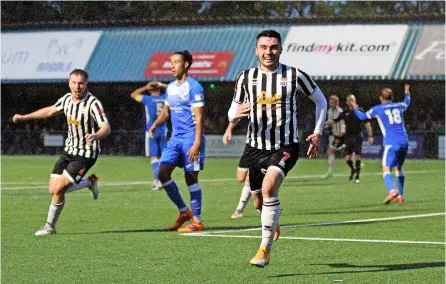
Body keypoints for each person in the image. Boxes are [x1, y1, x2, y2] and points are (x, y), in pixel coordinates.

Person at [228, 30, 327, 267]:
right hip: (254, 148)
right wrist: (235, 114)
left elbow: (321, 101)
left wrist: (317, 132)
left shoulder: (294, 76)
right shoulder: (246, 78)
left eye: (273, 47)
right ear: (256, 50)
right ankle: (273, 222)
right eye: (263, 47)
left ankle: (264, 249)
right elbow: (232, 111)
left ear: (280, 50)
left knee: (269, 187)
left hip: (285, 145)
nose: (268, 52)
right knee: (258, 203)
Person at [12, 69, 111, 236]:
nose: (77, 86)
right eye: (74, 82)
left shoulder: (93, 103)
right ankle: (89, 183)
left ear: (86, 84)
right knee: (53, 189)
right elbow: (49, 111)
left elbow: (106, 128)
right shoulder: (66, 99)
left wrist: (95, 135)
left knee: (58, 189)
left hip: (86, 154)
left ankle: (49, 227)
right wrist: (24, 117)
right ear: (69, 83)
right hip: (69, 150)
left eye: (81, 83)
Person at [148, 50, 206, 232]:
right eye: (171, 62)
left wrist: (197, 143)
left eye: (176, 62)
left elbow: (199, 117)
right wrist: (155, 124)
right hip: (175, 139)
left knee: (191, 178)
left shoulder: (194, 87)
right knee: (163, 173)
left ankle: (197, 220)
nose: (172, 66)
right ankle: (184, 211)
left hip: (191, 139)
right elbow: (166, 111)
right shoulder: (171, 87)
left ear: (186, 64)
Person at [353, 85, 411, 204]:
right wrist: (407, 93)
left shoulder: (378, 109)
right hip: (404, 141)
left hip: (391, 143)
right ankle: (400, 196)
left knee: (386, 168)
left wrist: (355, 108)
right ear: (392, 97)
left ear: (381, 98)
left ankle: (392, 190)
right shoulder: (399, 106)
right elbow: (407, 102)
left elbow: (363, 116)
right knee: (399, 168)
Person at [326, 95, 373, 183]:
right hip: (348, 137)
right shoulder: (346, 112)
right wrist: (322, 123)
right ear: (347, 103)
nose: (352, 101)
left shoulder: (360, 111)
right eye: (350, 100)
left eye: (353, 100)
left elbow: (367, 124)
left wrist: (370, 136)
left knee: (357, 156)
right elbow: (335, 120)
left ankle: (357, 176)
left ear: (355, 101)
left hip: (358, 136)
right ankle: (353, 169)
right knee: (347, 158)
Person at [130, 82, 167, 190]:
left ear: (150, 91)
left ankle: (159, 180)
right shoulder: (165, 98)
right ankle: (159, 180)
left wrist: (145, 87)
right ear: (159, 90)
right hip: (163, 130)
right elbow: (174, 89)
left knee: (153, 156)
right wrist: (162, 84)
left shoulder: (147, 99)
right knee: (162, 157)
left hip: (151, 131)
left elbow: (133, 95)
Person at [322, 95, 346, 179]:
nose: (331, 104)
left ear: (336, 103)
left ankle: (356, 164)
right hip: (333, 134)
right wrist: (326, 127)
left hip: (340, 135)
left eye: (333, 103)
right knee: (331, 151)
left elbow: (343, 124)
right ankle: (330, 171)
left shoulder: (340, 111)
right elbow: (329, 121)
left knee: (346, 153)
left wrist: (340, 136)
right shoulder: (329, 111)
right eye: (330, 102)